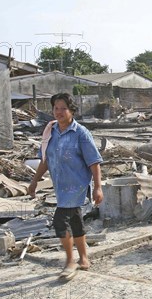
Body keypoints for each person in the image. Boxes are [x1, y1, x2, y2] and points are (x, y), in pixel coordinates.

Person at [28, 93, 103, 279]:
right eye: (56, 108)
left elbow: (94, 162)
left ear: (71, 111)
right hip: (60, 186)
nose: (59, 112)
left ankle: (70, 261)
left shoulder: (80, 133)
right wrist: (34, 181)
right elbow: (45, 160)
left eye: (63, 108)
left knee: (60, 222)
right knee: (75, 220)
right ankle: (84, 258)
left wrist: (98, 187)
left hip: (76, 185)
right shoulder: (50, 132)